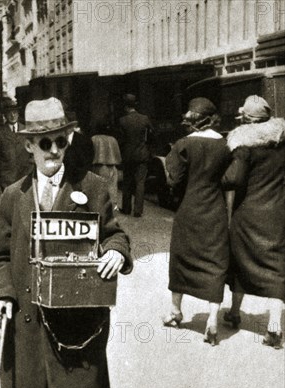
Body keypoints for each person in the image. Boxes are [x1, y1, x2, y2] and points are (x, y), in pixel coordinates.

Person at [0, 98, 132, 388]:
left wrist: (117, 250)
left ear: (68, 140)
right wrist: (2, 295)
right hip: (29, 313)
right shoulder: (14, 196)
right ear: (29, 146)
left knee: (79, 386)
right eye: (44, 143)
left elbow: (114, 233)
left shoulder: (93, 187)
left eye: (60, 142)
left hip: (76, 315)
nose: (53, 151)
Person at [163, 97, 231, 346]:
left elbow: (174, 180)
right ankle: (212, 320)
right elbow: (230, 178)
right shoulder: (226, 145)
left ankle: (175, 311)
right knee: (215, 262)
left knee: (181, 258)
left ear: (193, 121)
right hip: (215, 211)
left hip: (189, 210)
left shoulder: (183, 145)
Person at [222, 95, 285, 349]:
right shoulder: (281, 141)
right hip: (277, 213)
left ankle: (234, 313)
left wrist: (218, 176)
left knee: (240, 262)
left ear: (246, 119)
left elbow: (233, 179)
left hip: (248, 214)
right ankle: (274, 326)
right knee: (276, 267)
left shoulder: (244, 144)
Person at [118, 94, 153, 217]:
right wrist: (147, 148)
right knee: (140, 182)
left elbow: (121, 140)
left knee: (127, 182)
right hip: (142, 154)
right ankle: (138, 211)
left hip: (127, 155)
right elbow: (152, 135)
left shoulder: (122, 120)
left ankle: (126, 208)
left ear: (125, 106)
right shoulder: (145, 119)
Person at [0, 100, 32, 192]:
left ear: (18, 114)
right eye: (9, 113)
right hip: (7, 178)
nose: (12, 115)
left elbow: (33, 152)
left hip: (25, 176)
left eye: (14, 112)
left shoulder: (26, 130)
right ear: (5, 115)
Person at [91, 123, 122, 209]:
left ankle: (100, 207)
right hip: (112, 166)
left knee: (99, 188)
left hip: (99, 166)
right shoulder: (113, 139)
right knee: (112, 187)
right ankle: (113, 206)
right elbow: (118, 155)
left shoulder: (94, 139)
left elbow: (89, 154)